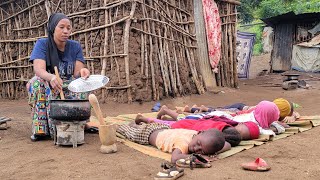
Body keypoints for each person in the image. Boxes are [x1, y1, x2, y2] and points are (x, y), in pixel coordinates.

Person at [27, 13, 90, 141]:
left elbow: (77, 73)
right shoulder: (42, 44)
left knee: (84, 84)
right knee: (36, 84)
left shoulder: (75, 46)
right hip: (46, 79)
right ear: (52, 28)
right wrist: (51, 78)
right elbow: (39, 69)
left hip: (66, 81)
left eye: (68, 28)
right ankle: (41, 129)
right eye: (61, 27)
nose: (65, 31)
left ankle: (79, 124)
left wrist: (83, 72)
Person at [116, 122, 226, 163]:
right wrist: (198, 157)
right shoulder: (184, 143)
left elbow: (223, 144)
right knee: (127, 131)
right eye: (198, 144)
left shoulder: (197, 135)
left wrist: (212, 152)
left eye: (201, 150)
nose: (196, 149)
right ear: (200, 133)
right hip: (146, 134)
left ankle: (135, 125)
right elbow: (174, 158)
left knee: (137, 127)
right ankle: (122, 126)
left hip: (163, 128)